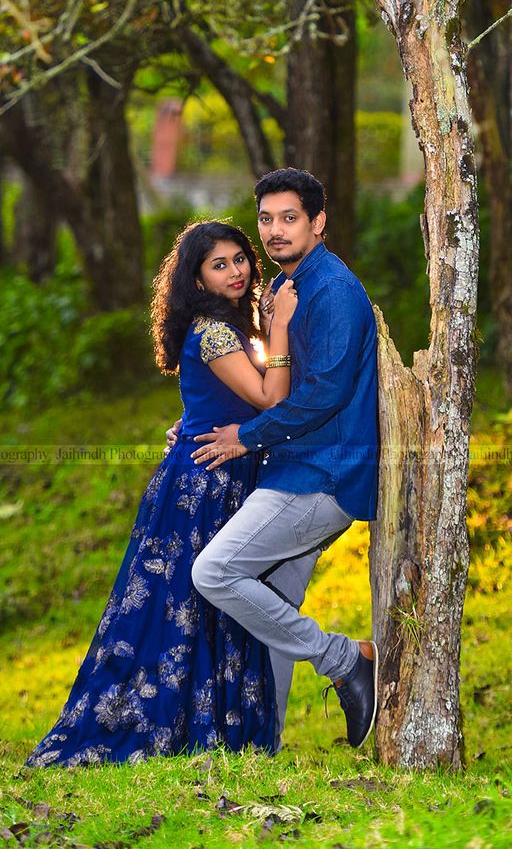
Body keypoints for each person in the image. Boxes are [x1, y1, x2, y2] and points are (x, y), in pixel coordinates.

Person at [26, 220, 298, 767]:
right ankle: (172, 726)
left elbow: (221, 399)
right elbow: (271, 397)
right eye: (218, 265)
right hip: (204, 488)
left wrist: (191, 417)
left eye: (239, 259)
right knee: (184, 608)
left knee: (207, 607)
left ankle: (216, 728)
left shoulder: (233, 330)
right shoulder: (217, 332)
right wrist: (284, 328)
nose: (236, 271)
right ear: (197, 279)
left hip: (216, 476)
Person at [184, 169, 379, 750]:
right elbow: (276, 379)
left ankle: (347, 660)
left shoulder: (333, 291)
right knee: (274, 602)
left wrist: (249, 436)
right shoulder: (286, 288)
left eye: (289, 218)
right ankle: (261, 744)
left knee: (215, 572)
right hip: (296, 467)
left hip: (324, 474)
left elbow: (325, 394)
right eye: (265, 219)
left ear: (318, 223)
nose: (274, 231)